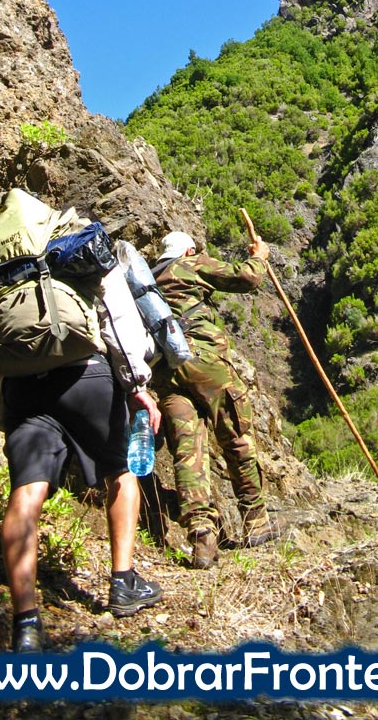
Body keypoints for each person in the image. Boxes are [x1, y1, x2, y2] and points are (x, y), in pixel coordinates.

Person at [0, 263, 164, 652]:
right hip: (85, 376)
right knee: (120, 471)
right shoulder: (80, 247)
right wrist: (137, 384)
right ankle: (123, 582)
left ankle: (26, 623)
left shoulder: (4, 263)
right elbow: (117, 317)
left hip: (21, 385)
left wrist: (3, 408)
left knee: (26, 490)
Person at [152, 230, 280, 569]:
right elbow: (246, 278)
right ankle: (255, 521)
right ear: (189, 250)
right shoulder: (189, 264)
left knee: (187, 451)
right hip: (203, 361)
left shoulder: (150, 281)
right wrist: (259, 256)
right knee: (236, 433)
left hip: (165, 373)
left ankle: (202, 539)